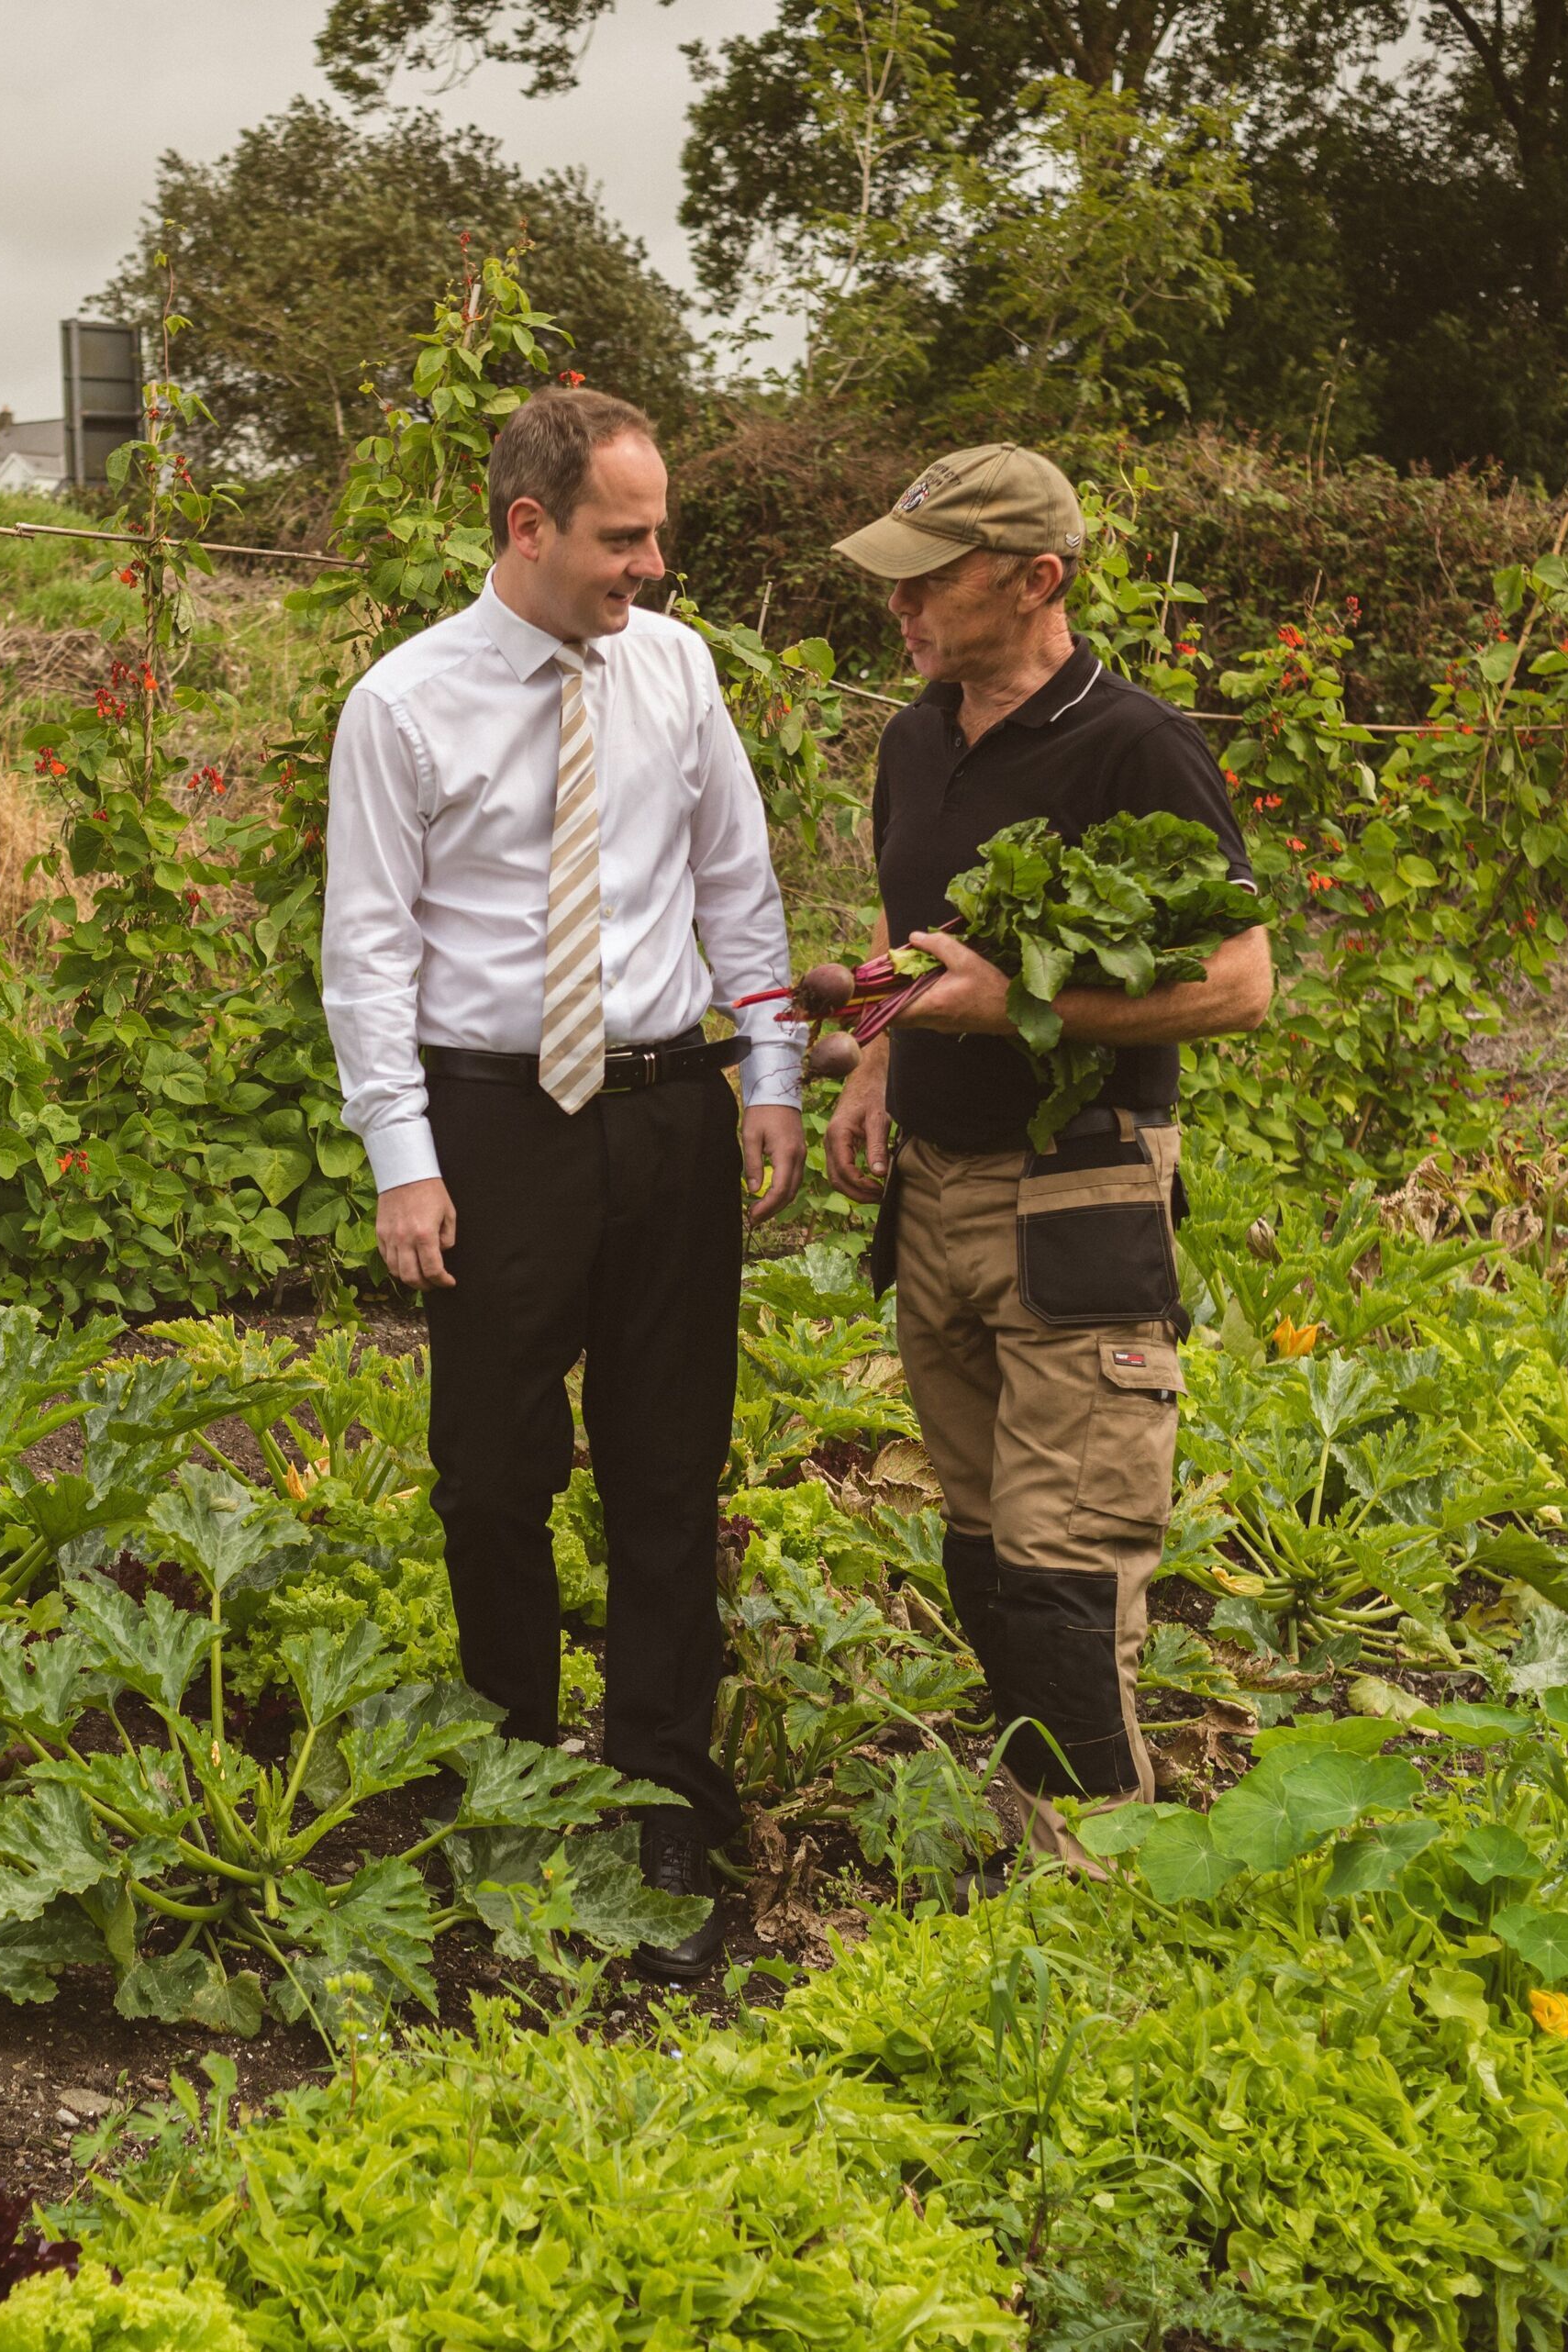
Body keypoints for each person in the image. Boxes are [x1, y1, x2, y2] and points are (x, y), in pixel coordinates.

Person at [320, 385, 806, 1982]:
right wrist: (405, 1161)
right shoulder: (404, 705)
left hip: (669, 1110)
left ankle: (666, 1793)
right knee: (493, 1473)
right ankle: (509, 1777)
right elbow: (370, 952)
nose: (651, 567)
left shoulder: (676, 671)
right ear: (527, 526)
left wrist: (774, 1074)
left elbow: (737, 881)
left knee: (671, 1472)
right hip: (498, 1126)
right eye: (624, 536)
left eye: (655, 533)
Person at [820, 444, 1271, 1866]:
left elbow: (1241, 982)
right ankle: (1037, 1834)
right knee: (983, 1548)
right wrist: (881, 1051)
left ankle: (1102, 1880)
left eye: (933, 582)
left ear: (1038, 581)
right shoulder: (914, 740)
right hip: (937, 1190)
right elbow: (922, 951)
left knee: (1067, 1567)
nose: (902, 610)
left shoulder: (1132, 746)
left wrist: (1017, 1004)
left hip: (1079, 1184)